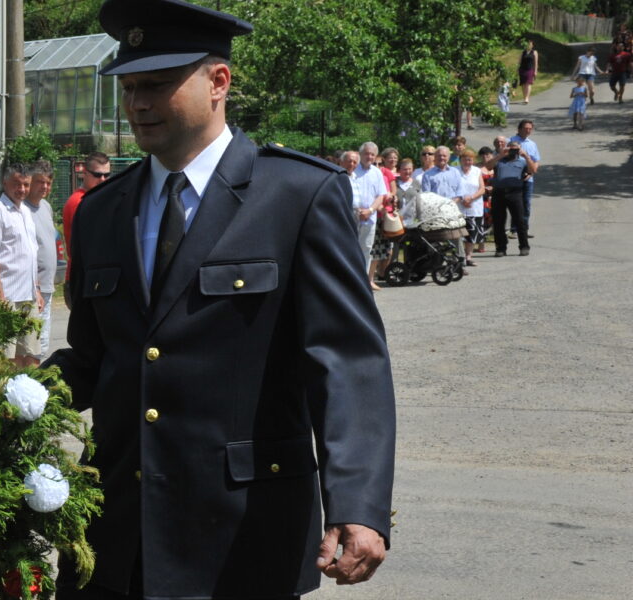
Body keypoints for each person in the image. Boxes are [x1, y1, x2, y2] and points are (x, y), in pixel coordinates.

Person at [48, 1, 395, 597]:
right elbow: (92, 358)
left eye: (157, 84)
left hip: (242, 538)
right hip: (119, 536)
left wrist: (358, 502)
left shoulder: (297, 195)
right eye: (129, 88)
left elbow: (346, 360)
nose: (138, 103)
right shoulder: (102, 212)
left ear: (219, 82)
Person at [0, 163, 43, 368]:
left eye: (26, 184)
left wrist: (37, 289)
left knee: (30, 354)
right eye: (17, 184)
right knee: (4, 358)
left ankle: (28, 387)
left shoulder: (25, 211)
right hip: (7, 296)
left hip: (28, 296)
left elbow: (31, 254)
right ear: (5, 183)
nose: (22, 189)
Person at [25, 161, 59, 358]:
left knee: (43, 341)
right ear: (30, 182)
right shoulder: (23, 209)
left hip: (47, 285)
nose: (44, 187)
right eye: (40, 182)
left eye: (48, 183)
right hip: (31, 288)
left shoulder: (46, 207)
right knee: (31, 342)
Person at [341, 150, 388, 289]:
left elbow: (380, 195)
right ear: (342, 162)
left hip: (368, 217)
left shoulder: (357, 176)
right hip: (348, 218)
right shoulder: (339, 177)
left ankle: (362, 282)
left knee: (366, 249)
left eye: (354, 162)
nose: (352, 164)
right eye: (349, 161)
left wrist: (369, 210)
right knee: (348, 248)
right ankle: (346, 282)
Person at [485, 139, 536, 257]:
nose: (513, 151)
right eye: (511, 148)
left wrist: (526, 156)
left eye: (515, 149)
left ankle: (524, 246)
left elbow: (533, 170)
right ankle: (500, 248)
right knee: (498, 222)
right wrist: (500, 154)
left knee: (519, 221)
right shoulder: (499, 160)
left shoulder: (522, 161)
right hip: (498, 193)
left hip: (515, 193)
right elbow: (488, 166)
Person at [64, 152, 113, 252]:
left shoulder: (95, 197)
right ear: (85, 173)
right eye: (97, 175)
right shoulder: (79, 201)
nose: (102, 179)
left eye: (106, 175)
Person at [509, 120, 541, 237]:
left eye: (530, 129)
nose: (528, 131)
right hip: (513, 178)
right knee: (514, 204)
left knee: (526, 204)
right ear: (519, 129)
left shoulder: (532, 144)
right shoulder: (511, 141)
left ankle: (524, 229)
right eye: (525, 128)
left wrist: (531, 172)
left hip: (528, 179)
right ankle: (514, 229)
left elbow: (536, 161)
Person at [457, 149, 485, 267]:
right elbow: (452, 187)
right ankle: (460, 256)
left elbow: (482, 189)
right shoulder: (455, 171)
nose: (467, 162)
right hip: (459, 206)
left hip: (474, 206)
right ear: (460, 160)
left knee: (472, 233)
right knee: (459, 233)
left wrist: (471, 198)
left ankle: (468, 256)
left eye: (470, 160)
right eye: (465, 160)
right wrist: (463, 199)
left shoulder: (477, 171)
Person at [519, 40, 539, 104]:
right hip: (522, 69)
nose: (528, 45)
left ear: (532, 45)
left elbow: (536, 63)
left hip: (530, 69)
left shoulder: (534, 52)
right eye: (527, 44)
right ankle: (524, 97)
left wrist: (535, 71)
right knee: (523, 84)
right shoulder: (523, 52)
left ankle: (527, 98)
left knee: (528, 83)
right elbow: (519, 62)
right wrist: (517, 69)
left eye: (530, 44)